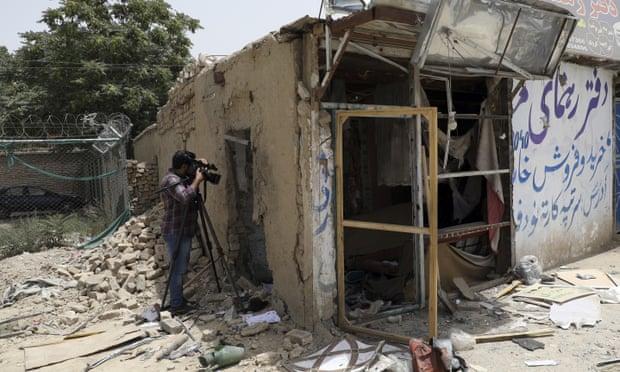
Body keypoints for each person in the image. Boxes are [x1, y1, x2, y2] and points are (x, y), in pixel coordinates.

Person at [160, 150, 207, 314]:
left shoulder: (179, 177)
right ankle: (176, 305)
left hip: (182, 230)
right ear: (183, 166)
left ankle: (178, 300)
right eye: (190, 166)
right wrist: (198, 180)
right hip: (175, 231)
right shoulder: (171, 180)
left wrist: (198, 164)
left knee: (180, 267)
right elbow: (186, 197)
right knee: (178, 269)